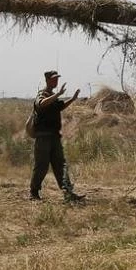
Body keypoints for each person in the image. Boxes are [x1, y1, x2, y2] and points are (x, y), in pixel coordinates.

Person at [30, 70, 84, 202]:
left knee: (61, 166)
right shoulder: (42, 94)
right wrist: (58, 94)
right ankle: (34, 193)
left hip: (54, 137)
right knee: (41, 166)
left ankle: (68, 193)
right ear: (47, 80)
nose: (56, 81)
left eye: (57, 79)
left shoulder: (53, 96)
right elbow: (41, 104)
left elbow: (60, 107)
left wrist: (72, 99)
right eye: (53, 79)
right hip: (43, 138)